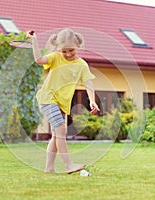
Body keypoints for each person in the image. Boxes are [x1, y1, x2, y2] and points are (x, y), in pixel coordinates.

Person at [11, 28, 100, 174]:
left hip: (62, 104)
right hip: (48, 98)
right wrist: (34, 41)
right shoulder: (55, 57)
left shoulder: (82, 65)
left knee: (56, 136)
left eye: (71, 50)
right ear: (59, 48)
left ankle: (49, 168)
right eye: (64, 51)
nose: (68, 54)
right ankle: (68, 165)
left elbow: (88, 83)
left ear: (77, 45)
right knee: (60, 130)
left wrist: (92, 100)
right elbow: (39, 60)